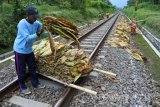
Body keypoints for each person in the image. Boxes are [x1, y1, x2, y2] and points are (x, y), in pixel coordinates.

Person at [13, 5, 45, 95]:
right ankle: (22, 87)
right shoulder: (22, 23)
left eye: (36, 16)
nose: (35, 18)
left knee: (32, 68)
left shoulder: (36, 23)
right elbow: (27, 38)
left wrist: (50, 29)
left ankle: (35, 83)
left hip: (29, 50)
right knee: (21, 70)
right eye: (34, 16)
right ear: (29, 15)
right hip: (20, 50)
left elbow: (43, 29)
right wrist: (38, 33)